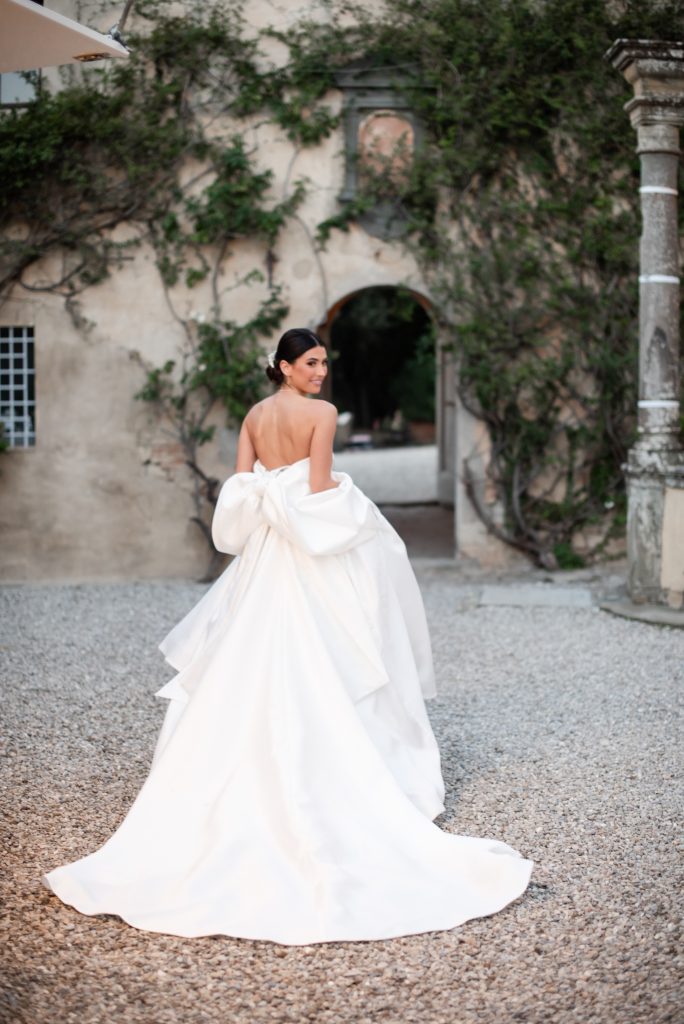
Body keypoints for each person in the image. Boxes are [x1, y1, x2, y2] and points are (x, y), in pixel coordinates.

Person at [44, 327, 533, 945]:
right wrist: (353, 507)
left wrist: (278, 496)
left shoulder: (254, 414)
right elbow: (321, 491)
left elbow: (244, 488)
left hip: (268, 554)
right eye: (311, 362)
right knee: (333, 653)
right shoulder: (321, 415)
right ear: (284, 366)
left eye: (325, 362)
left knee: (248, 654)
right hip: (305, 551)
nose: (321, 372)